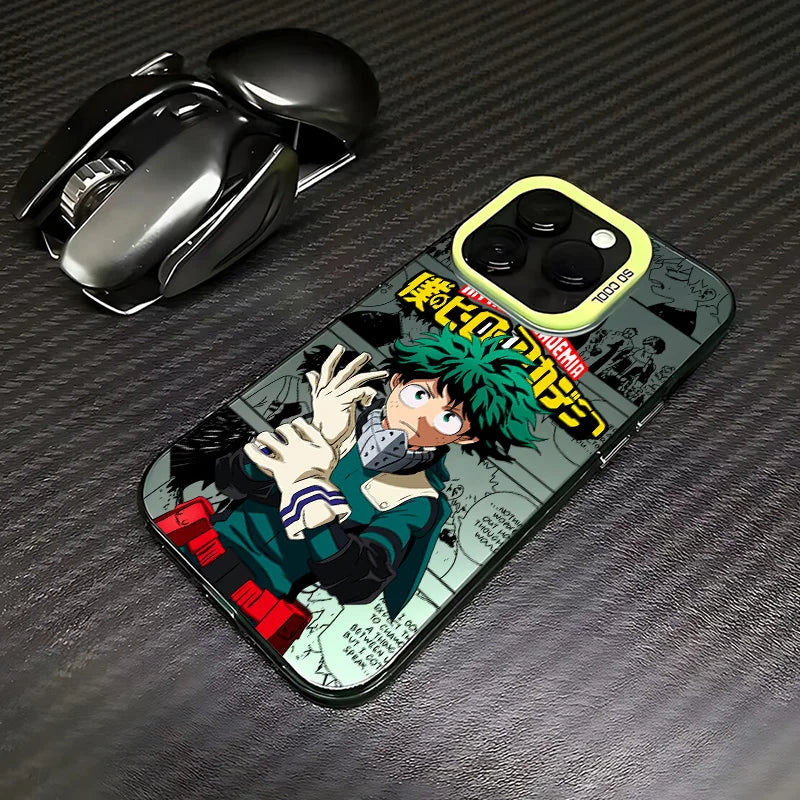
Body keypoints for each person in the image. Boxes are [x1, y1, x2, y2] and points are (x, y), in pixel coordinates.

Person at [156, 328, 544, 652]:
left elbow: (358, 582)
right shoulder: (337, 417)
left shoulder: (417, 499)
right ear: (397, 382)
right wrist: (317, 433)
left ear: (465, 436)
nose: (419, 419)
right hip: (186, 542)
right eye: (419, 395)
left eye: (447, 418)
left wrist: (313, 497)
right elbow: (230, 478)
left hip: (253, 601)